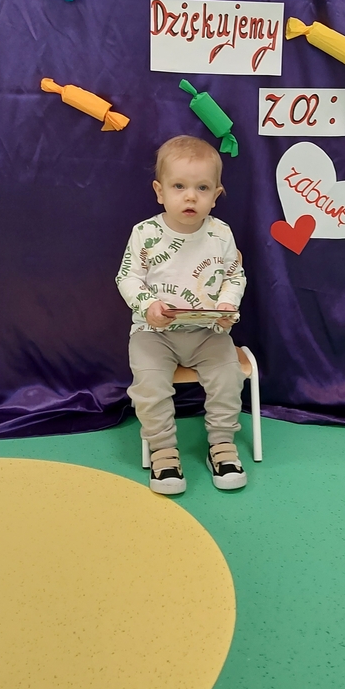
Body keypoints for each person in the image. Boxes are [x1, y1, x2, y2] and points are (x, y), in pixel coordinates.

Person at [116, 135, 247, 496]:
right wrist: (148, 305)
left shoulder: (220, 234)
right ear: (160, 192)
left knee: (228, 378)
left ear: (215, 196)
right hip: (154, 333)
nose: (190, 197)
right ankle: (163, 450)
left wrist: (227, 306)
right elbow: (127, 277)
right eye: (179, 186)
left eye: (202, 188)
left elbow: (235, 276)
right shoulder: (145, 234)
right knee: (149, 385)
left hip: (208, 332)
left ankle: (222, 445)